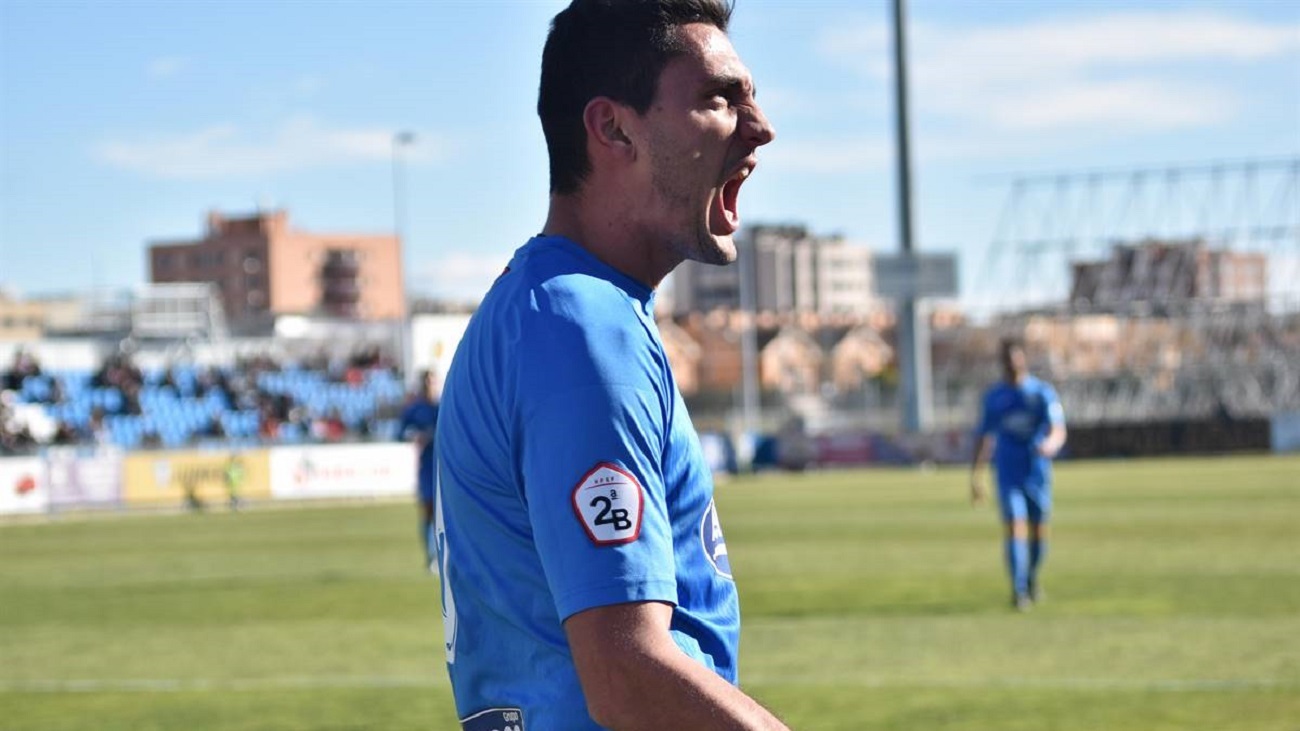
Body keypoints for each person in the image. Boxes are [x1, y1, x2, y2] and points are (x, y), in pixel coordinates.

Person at [434, 1, 785, 728]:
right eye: (720, 99)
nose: (759, 127)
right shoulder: (581, 328)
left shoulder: (550, 308)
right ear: (614, 129)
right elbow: (627, 673)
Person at [970, 337, 1068, 611]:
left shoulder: (1041, 393)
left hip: (1037, 472)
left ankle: (1032, 577)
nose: (1013, 365)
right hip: (1008, 472)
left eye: (1016, 359)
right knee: (1015, 526)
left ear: (1023, 359)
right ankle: (1019, 589)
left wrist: (1051, 445)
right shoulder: (995, 398)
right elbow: (984, 437)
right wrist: (976, 476)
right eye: (1008, 360)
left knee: (1038, 532)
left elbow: (1058, 428)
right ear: (1002, 363)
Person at [398, 370, 440, 572]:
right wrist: (415, 435)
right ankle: (430, 557)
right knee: (428, 511)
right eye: (427, 382)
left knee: (444, 513)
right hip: (427, 465)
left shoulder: (443, 405)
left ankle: (441, 555)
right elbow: (400, 432)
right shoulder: (415, 409)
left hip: (444, 466)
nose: (430, 386)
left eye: (432, 382)